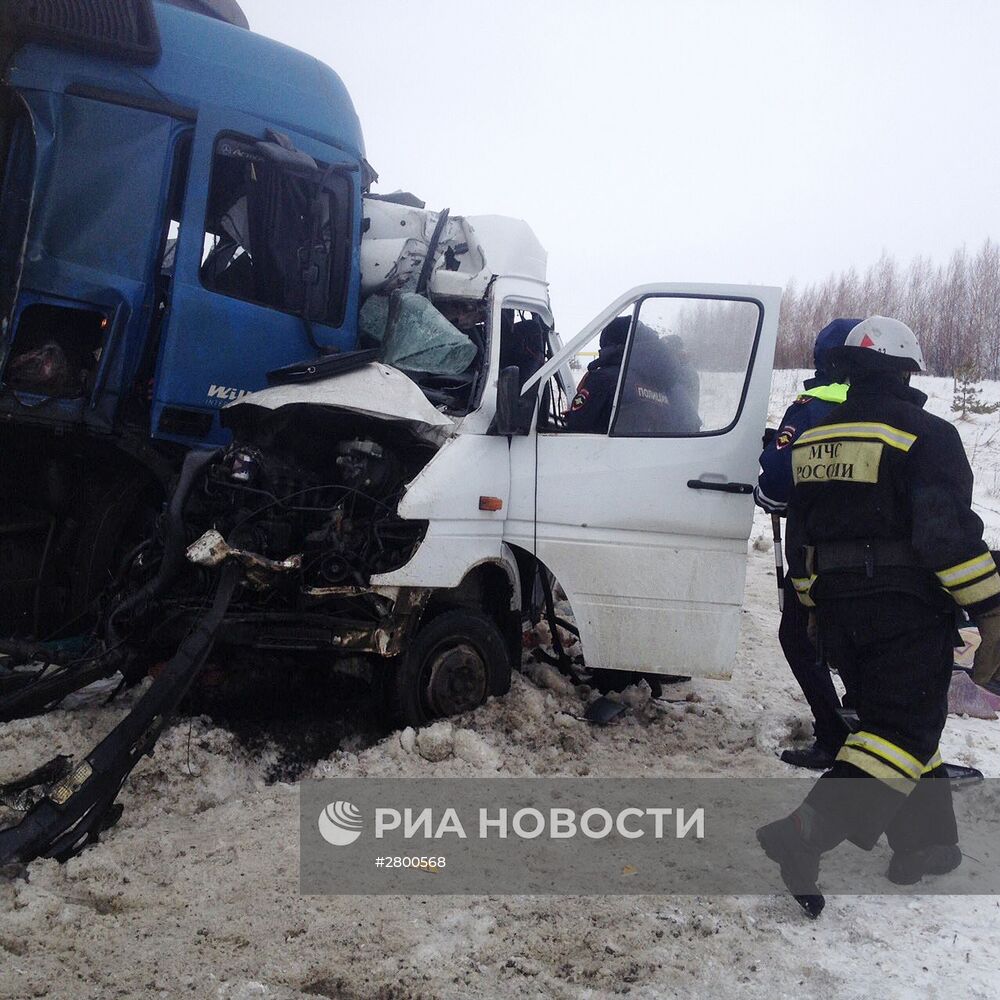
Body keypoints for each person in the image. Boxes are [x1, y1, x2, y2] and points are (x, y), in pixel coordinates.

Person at [757, 316, 1000, 918]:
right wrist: (992, 611)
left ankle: (927, 846)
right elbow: (948, 536)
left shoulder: (816, 441)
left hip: (837, 612)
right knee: (902, 730)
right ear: (907, 370)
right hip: (904, 608)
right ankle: (804, 833)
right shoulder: (926, 434)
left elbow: (802, 536)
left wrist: (811, 605)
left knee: (900, 722)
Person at [754, 319, 859, 769]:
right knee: (860, 644)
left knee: (798, 637)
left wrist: (770, 461)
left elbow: (778, 486)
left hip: (819, 554)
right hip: (880, 559)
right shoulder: (880, 408)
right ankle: (869, 728)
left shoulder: (811, 409)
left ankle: (835, 736)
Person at [565, 318, 700, 434]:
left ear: (610, 345)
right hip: (668, 461)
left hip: (610, 461)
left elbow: (577, 427)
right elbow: (692, 427)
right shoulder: (673, 385)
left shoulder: (604, 380)